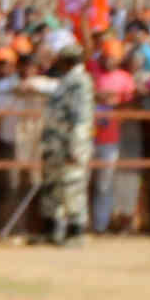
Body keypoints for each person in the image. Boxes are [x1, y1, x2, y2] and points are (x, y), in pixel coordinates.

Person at [30, 28, 94, 245]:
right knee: (52, 187)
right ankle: (53, 231)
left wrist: (75, 148)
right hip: (55, 145)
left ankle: (76, 232)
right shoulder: (66, 81)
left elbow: (80, 119)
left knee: (72, 186)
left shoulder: (80, 82)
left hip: (69, 145)